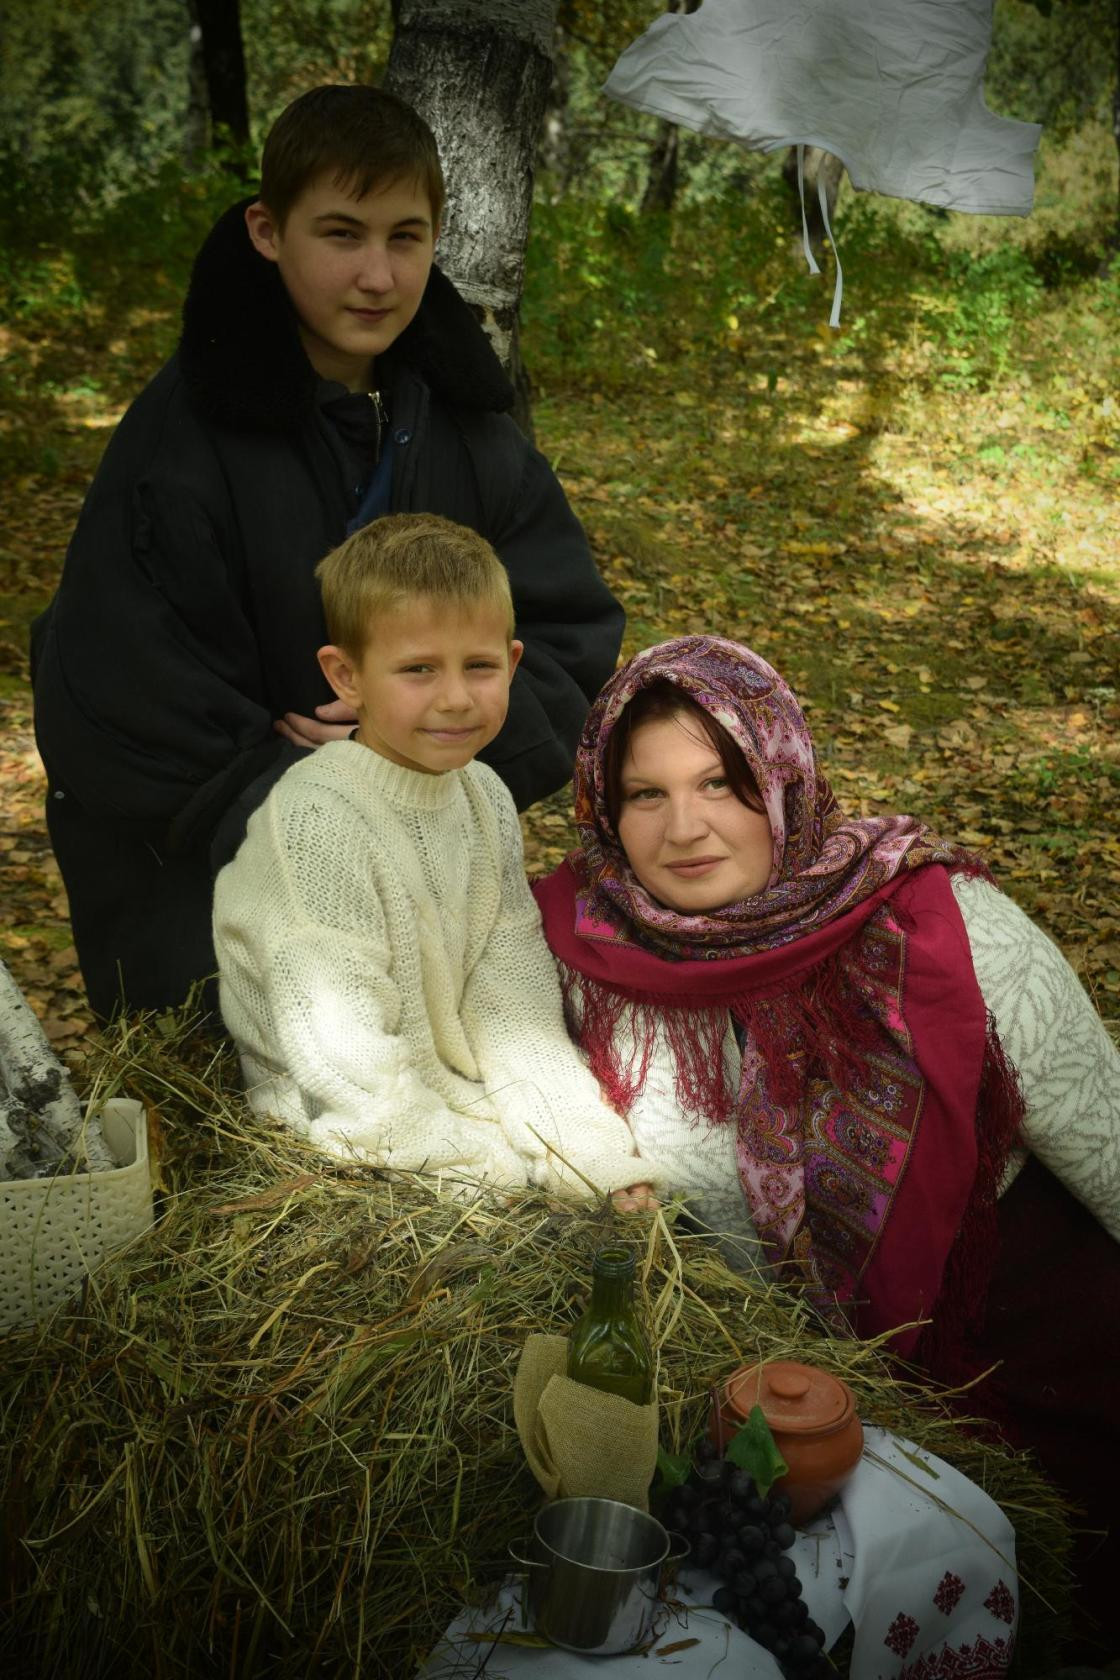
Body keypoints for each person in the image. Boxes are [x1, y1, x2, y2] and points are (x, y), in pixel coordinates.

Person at [533, 635, 1120, 1656]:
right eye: (644, 795)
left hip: (1026, 1362)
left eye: (722, 784)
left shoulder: (947, 927)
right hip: (784, 1421)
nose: (684, 828)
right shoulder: (586, 958)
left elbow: (1110, 1149)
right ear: (603, 810)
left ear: (783, 780)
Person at [31, 84, 623, 1021]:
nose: (377, 276)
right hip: (213, 910)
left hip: (434, 893)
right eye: (342, 235)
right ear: (268, 231)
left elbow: (568, 633)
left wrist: (424, 744)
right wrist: (327, 787)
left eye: (405, 237)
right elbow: (122, 687)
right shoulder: (179, 443)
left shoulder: (473, 432)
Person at [213, 513, 661, 1204]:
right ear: (346, 676)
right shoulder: (315, 822)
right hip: (343, 1136)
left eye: (479, 666)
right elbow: (343, 1059)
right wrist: (493, 1175)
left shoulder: (483, 796)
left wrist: (582, 1151)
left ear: (513, 663)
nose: (455, 698)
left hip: (454, 1103)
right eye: (418, 669)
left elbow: (511, 998)